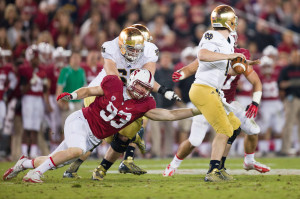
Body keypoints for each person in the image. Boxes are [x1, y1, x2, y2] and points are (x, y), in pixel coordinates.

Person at [3, 69, 200, 183]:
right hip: (81, 121)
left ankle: (24, 163)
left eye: (146, 88)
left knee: (58, 160)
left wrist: (197, 111)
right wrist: (72, 95)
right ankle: (35, 174)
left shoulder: (145, 105)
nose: (142, 90)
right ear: (132, 80)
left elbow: (170, 114)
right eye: (140, 85)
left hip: (94, 137)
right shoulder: (113, 83)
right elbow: (89, 90)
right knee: (76, 150)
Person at [63, 25, 181, 179]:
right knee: (97, 134)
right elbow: (114, 80)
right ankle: (71, 167)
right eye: (133, 47)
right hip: (103, 93)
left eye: (140, 47)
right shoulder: (111, 49)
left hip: (126, 95)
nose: (136, 52)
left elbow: (147, 80)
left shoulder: (149, 52)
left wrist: (162, 90)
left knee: (125, 134)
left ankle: (104, 168)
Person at [164, 5, 246, 182]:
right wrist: (230, 57)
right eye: (234, 20)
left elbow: (205, 64)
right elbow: (202, 55)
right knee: (223, 129)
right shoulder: (212, 35)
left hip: (213, 91)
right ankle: (213, 170)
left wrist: (242, 65)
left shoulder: (227, 42)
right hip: (203, 89)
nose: (236, 23)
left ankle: (220, 166)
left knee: (235, 125)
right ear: (227, 21)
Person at [164, 45, 271, 179]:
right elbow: (192, 67)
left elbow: (256, 82)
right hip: (209, 100)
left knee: (252, 129)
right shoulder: (214, 55)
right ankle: (173, 165)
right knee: (195, 141)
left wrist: (255, 102)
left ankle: (246, 162)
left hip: (229, 103)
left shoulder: (241, 59)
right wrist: (182, 73)